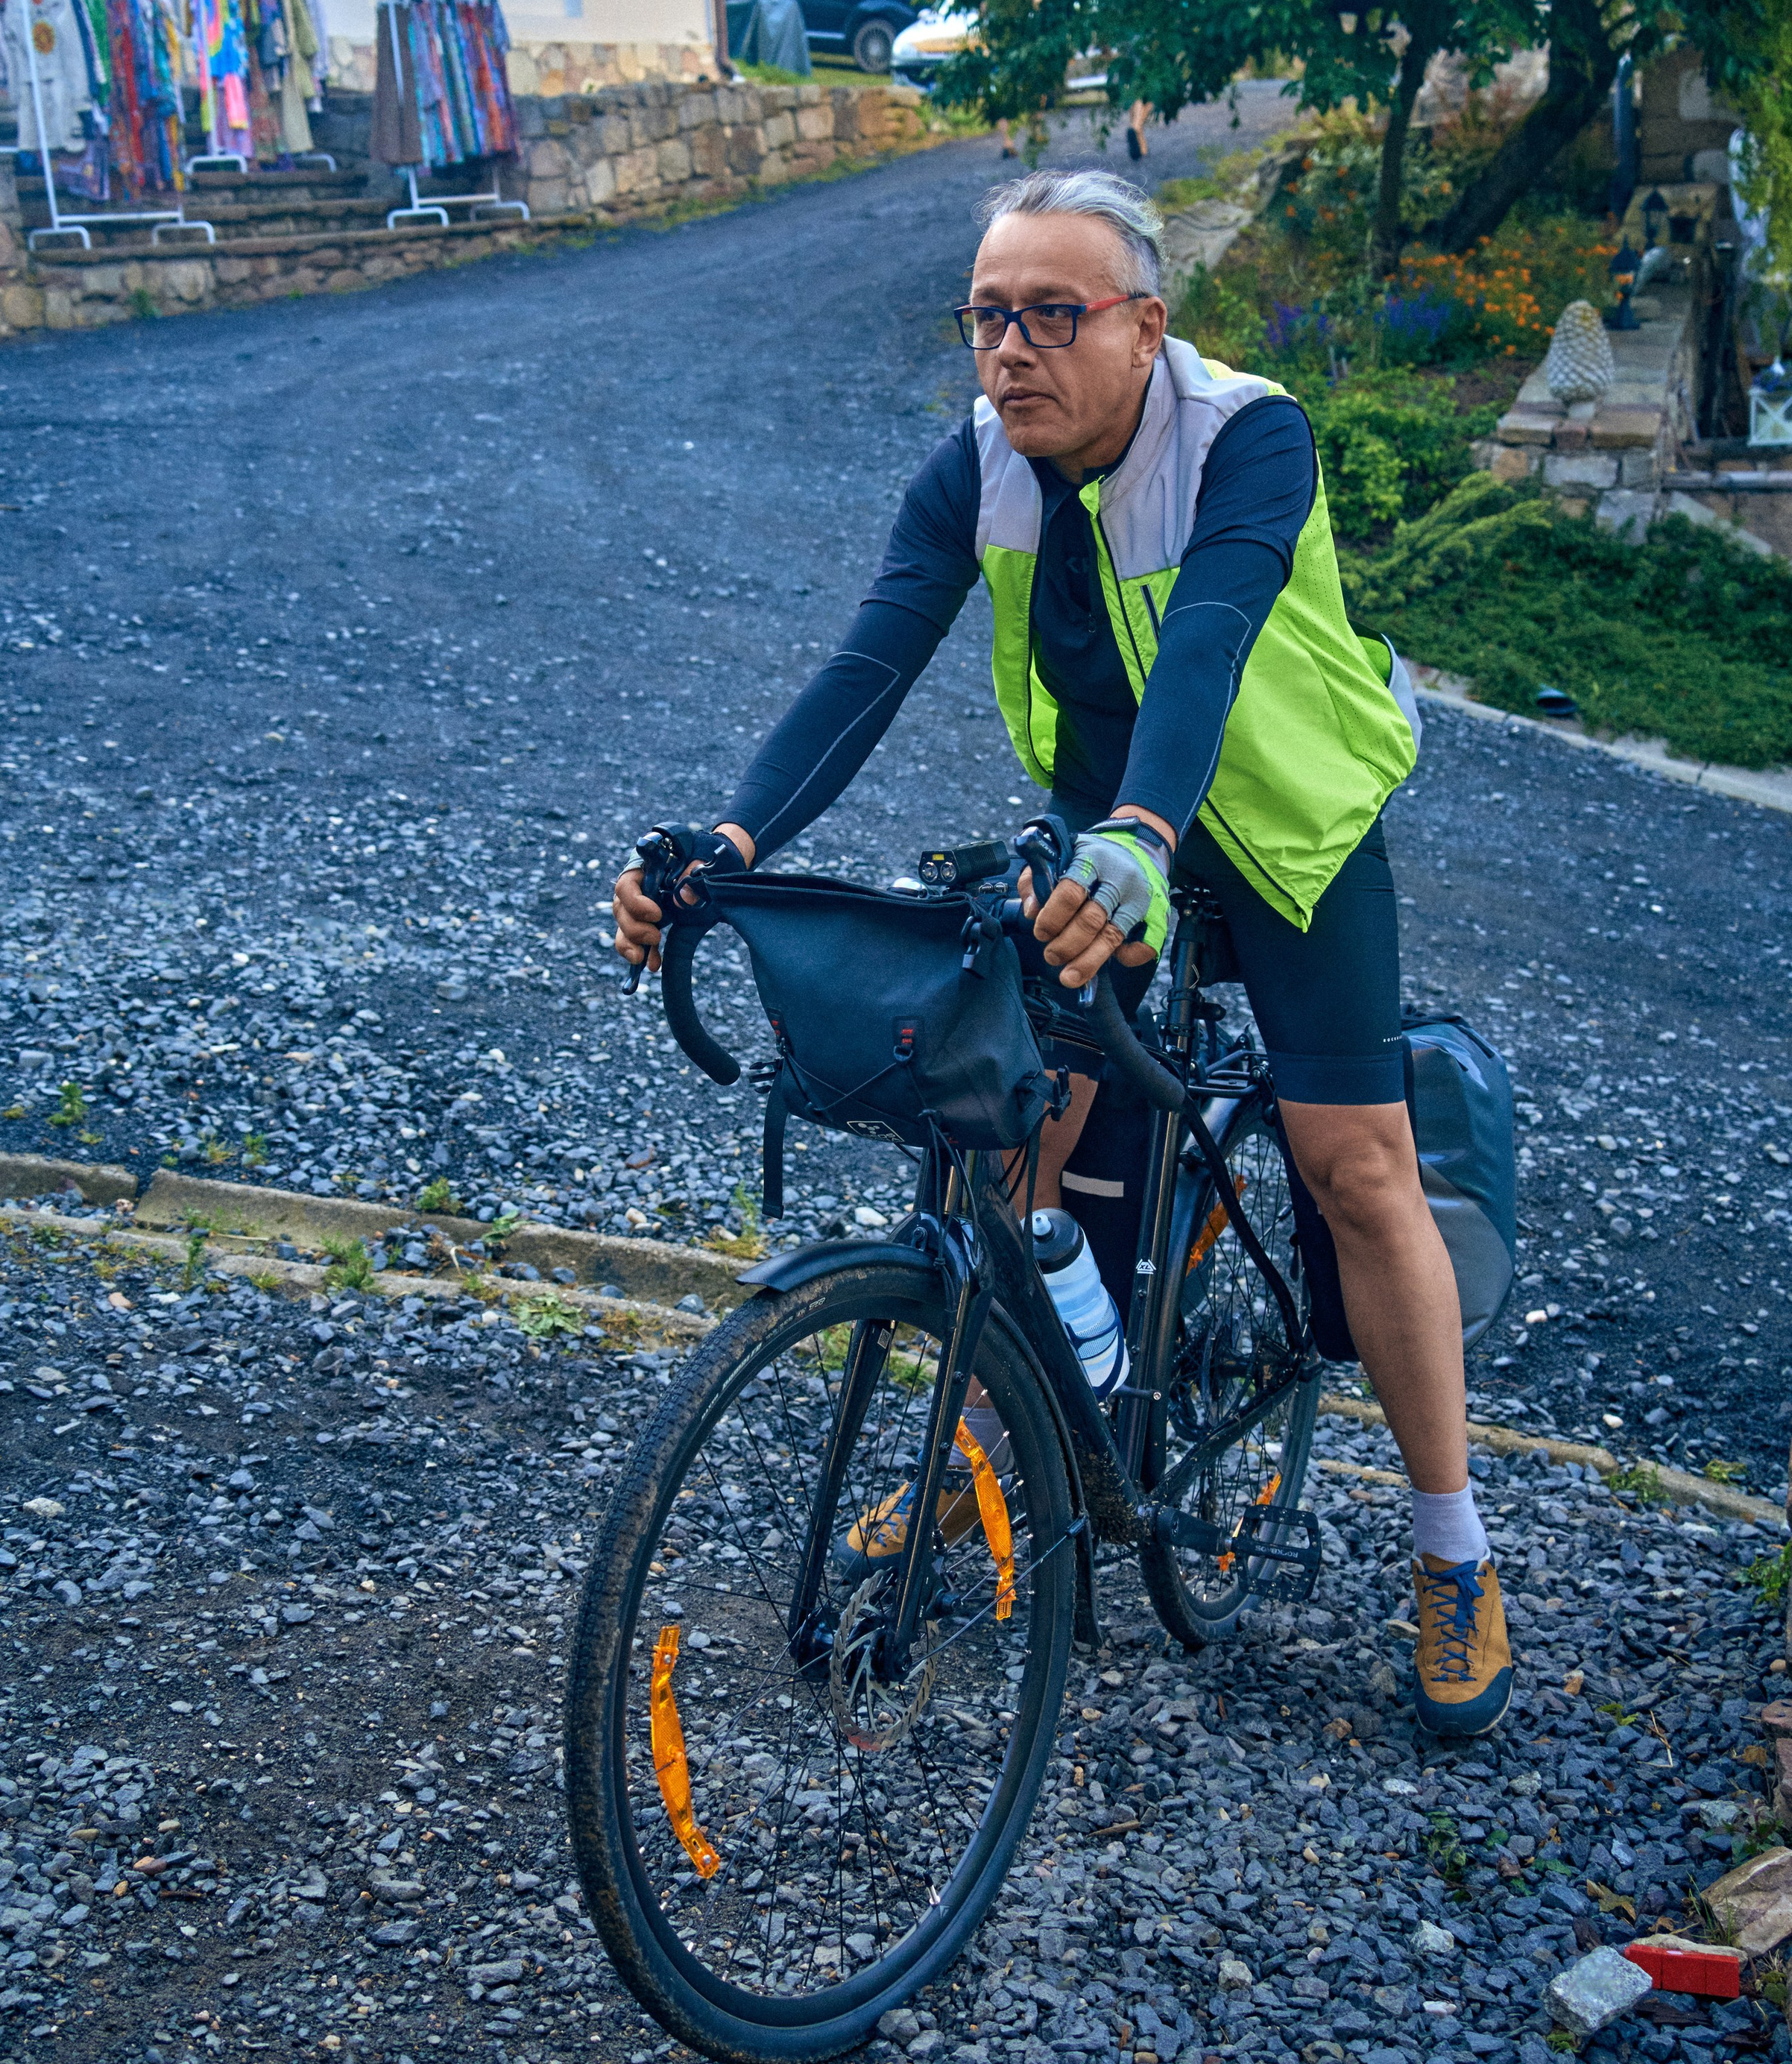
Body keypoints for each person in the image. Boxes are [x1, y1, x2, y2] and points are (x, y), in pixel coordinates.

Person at [613, 168, 1514, 1741]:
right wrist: (730, 844)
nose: (1010, 350)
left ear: (1143, 327)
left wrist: (1150, 838)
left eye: (1051, 314)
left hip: (1278, 829)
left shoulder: (1247, 438)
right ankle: (1038, 1401)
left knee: (1354, 1167)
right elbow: (868, 658)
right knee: (993, 1101)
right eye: (985, 317)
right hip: (1105, 825)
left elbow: (1214, 642)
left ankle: (1450, 1551)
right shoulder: (980, 464)